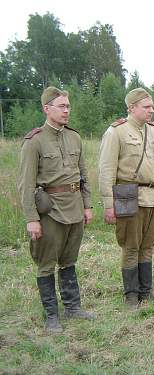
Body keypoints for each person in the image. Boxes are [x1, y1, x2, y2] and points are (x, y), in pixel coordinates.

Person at [18, 87, 95, 333]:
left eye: (68, 106)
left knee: (69, 260)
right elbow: (26, 184)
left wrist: (87, 204)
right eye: (61, 106)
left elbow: (83, 176)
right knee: (46, 263)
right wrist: (32, 219)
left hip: (74, 208)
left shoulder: (75, 137)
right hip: (49, 211)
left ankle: (73, 307)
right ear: (46, 109)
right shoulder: (35, 141)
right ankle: (52, 315)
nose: (66, 110)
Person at [98, 88, 154, 308]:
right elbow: (106, 169)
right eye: (146, 107)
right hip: (128, 196)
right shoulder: (116, 132)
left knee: (148, 245)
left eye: (152, 106)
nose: (151, 110)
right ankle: (131, 295)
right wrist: (109, 204)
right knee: (131, 246)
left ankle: (146, 291)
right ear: (131, 108)